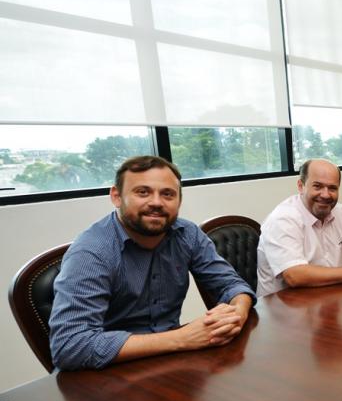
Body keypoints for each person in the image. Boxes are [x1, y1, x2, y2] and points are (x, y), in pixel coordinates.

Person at [49, 156, 256, 371]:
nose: (156, 202)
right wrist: (182, 338)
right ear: (116, 196)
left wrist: (236, 315)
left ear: (179, 201)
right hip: (103, 376)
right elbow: (70, 345)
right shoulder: (92, 252)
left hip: (168, 362)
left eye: (167, 194)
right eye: (143, 192)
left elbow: (232, 285)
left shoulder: (188, 234)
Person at [256, 159, 342, 296]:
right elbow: (294, 275)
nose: (325, 195)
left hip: (328, 295)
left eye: (332, 188)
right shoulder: (282, 219)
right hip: (284, 306)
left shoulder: (339, 211)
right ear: (301, 186)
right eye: (317, 186)